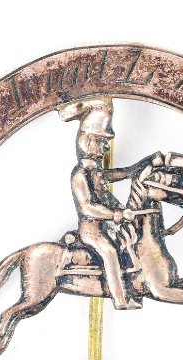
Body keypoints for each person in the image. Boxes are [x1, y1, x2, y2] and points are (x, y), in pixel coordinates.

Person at [59, 98, 142, 310]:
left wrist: (134, 170)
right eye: (101, 142)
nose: (105, 147)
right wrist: (117, 214)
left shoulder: (95, 172)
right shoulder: (80, 174)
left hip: (107, 228)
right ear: (87, 142)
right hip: (92, 232)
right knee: (110, 253)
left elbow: (115, 174)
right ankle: (120, 299)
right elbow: (87, 207)